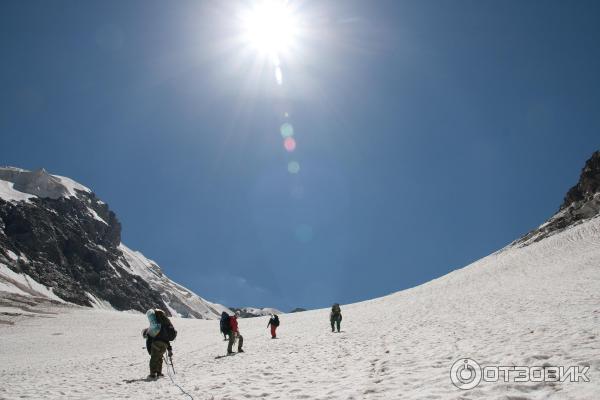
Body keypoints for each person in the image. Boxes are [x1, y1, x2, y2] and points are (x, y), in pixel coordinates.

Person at [142, 308, 176, 379]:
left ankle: (152, 374)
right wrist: (169, 349)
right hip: (165, 345)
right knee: (160, 358)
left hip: (156, 343)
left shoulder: (154, 329)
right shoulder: (165, 325)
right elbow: (167, 340)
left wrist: (150, 351)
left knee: (154, 358)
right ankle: (159, 373)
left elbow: (149, 341)